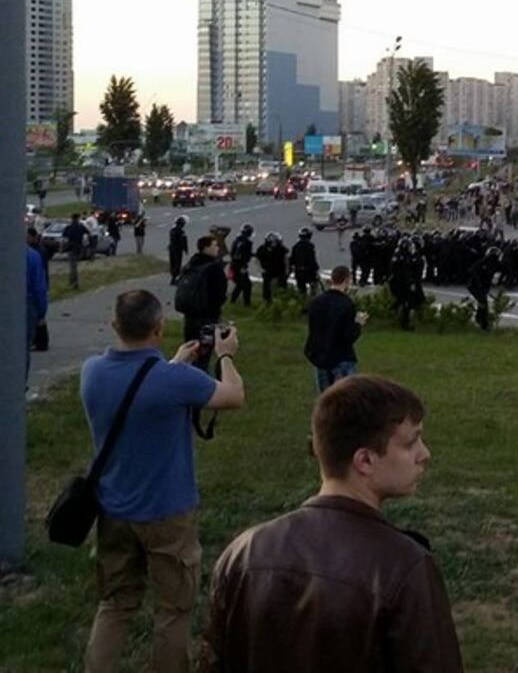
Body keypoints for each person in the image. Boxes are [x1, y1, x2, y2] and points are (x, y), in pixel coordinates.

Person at [202, 376, 463, 672]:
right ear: (364, 460)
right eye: (411, 442)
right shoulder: (404, 567)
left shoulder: (243, 551)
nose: (424, 454)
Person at [81, 290, 245, 673]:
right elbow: (233, 396)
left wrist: (173, 363)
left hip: (112, 508)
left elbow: (141, 394)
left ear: (114, 325)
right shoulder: (176, 381)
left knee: (115, 604)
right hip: (168, 513)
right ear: (159, 327)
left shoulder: (92, 371)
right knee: (172, 611)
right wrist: (225, 356)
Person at [305, 265, 370, 391]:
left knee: (326, 399)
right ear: (346, 280)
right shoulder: (346, 304)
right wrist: (358, 323)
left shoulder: (315, 302)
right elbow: (348, 336)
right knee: (344, 398)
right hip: (340, 357)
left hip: (320, 356)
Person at [176, 235, 229, 343]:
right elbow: (220, 294)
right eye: (214, 245)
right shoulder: (214, 267)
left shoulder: (191, 264)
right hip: (208, 315)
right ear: (206, 248)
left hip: (190, 314)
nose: (218, 248)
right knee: (204, 348)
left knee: (190, 346)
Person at [26, 226, 48, 389]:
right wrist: (41, 311)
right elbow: (39, 287)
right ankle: (21, 385)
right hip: (27, 306)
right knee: (22, 348)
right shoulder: (32, 256)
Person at [255, 231, 288, 303]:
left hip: (278, 271)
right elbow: (257, 259)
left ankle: (281, 299)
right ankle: (267, 300)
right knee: (267, 286)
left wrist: (286, 269)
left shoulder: (281, 249)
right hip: (269, 271)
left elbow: (285, 258)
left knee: (281, 285)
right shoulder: (262, 249)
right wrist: (260, 269)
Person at [228, 224, 255, 309]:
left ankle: (233, 301)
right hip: (240, 266)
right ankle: (247, 303)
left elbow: (232, 253)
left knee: (240, 284)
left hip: (233, 265)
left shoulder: (236, 240)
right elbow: (246, 256)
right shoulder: (247, 243)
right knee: (247, 285)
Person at [63, 211, 90, 290]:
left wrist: (63, 247)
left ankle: (74, 283)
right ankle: (74, 282)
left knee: (72, 267)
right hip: (79, 248)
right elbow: (88, 232)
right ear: (78, 218)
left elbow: (64, 237)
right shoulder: (81, 227)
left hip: (71, 248)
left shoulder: (69, 227)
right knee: (74, 266)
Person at [290, 227, 320, 295]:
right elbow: (312, 259)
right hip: (309, 270)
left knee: (301, 289)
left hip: (298, 271)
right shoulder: (310, 246)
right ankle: (312, 297)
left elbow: (292, 259)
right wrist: (316, 269)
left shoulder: (295, 246)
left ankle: (302, 300)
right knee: (314, 284)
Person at [168, 215, 189, 285]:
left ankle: (174, 278)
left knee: (173, 263)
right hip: (177, 249)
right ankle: (174, 279)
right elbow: (183, 241)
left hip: (172, 249)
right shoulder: (180, 231)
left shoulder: (172, 230)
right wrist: (186, 249)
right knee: (177, 264)